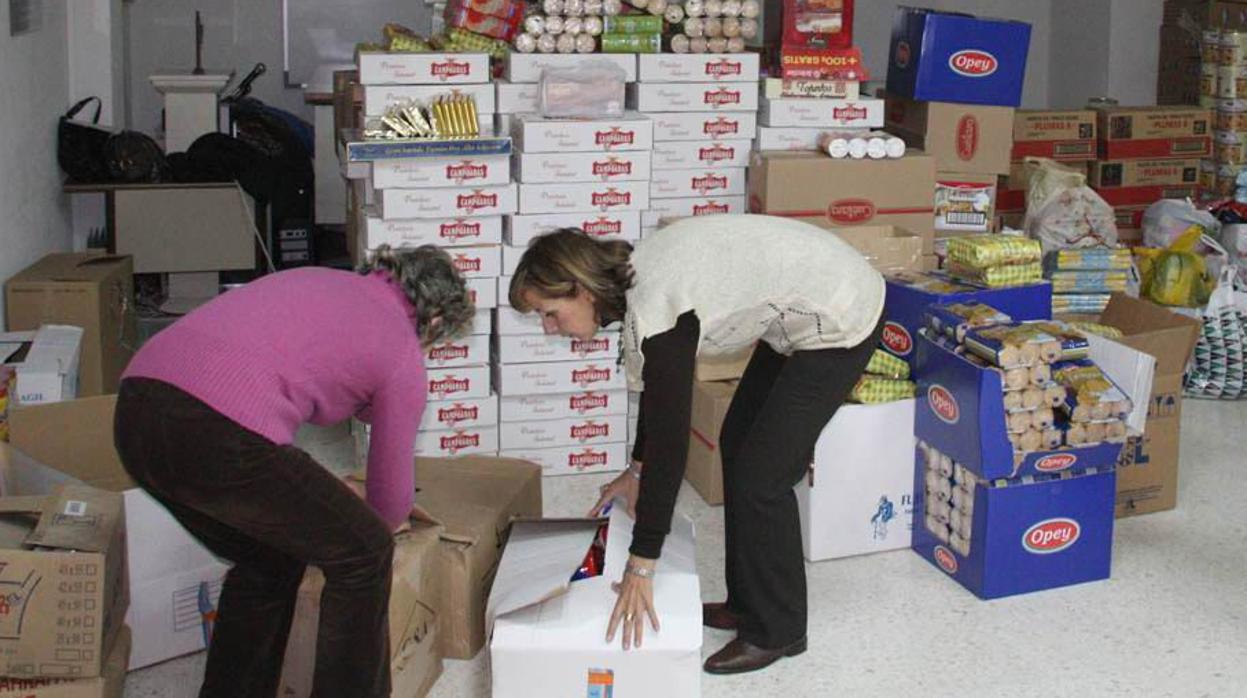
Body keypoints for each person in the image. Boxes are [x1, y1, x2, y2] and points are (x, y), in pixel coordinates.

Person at [508, 214, 885, 675]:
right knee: (737, 443)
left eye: (550, 312)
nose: (550, 328)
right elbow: (657, 391)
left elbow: (672, 441)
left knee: (762, 477)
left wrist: (642, 563)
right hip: (801, 305)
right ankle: (748, 603)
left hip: (842, 310)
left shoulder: (655, 307)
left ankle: (780, 630)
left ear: (581, 290)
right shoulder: (638, 297)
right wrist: (636, 470)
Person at [114, 245, 473, 698]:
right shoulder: (401, 349)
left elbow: (265, 378)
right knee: (364, 553)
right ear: (436, 320)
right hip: (216, 435)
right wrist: (361, 511)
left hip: (135, 415)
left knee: (270, 555)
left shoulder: (312, 279)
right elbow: (388, 507)